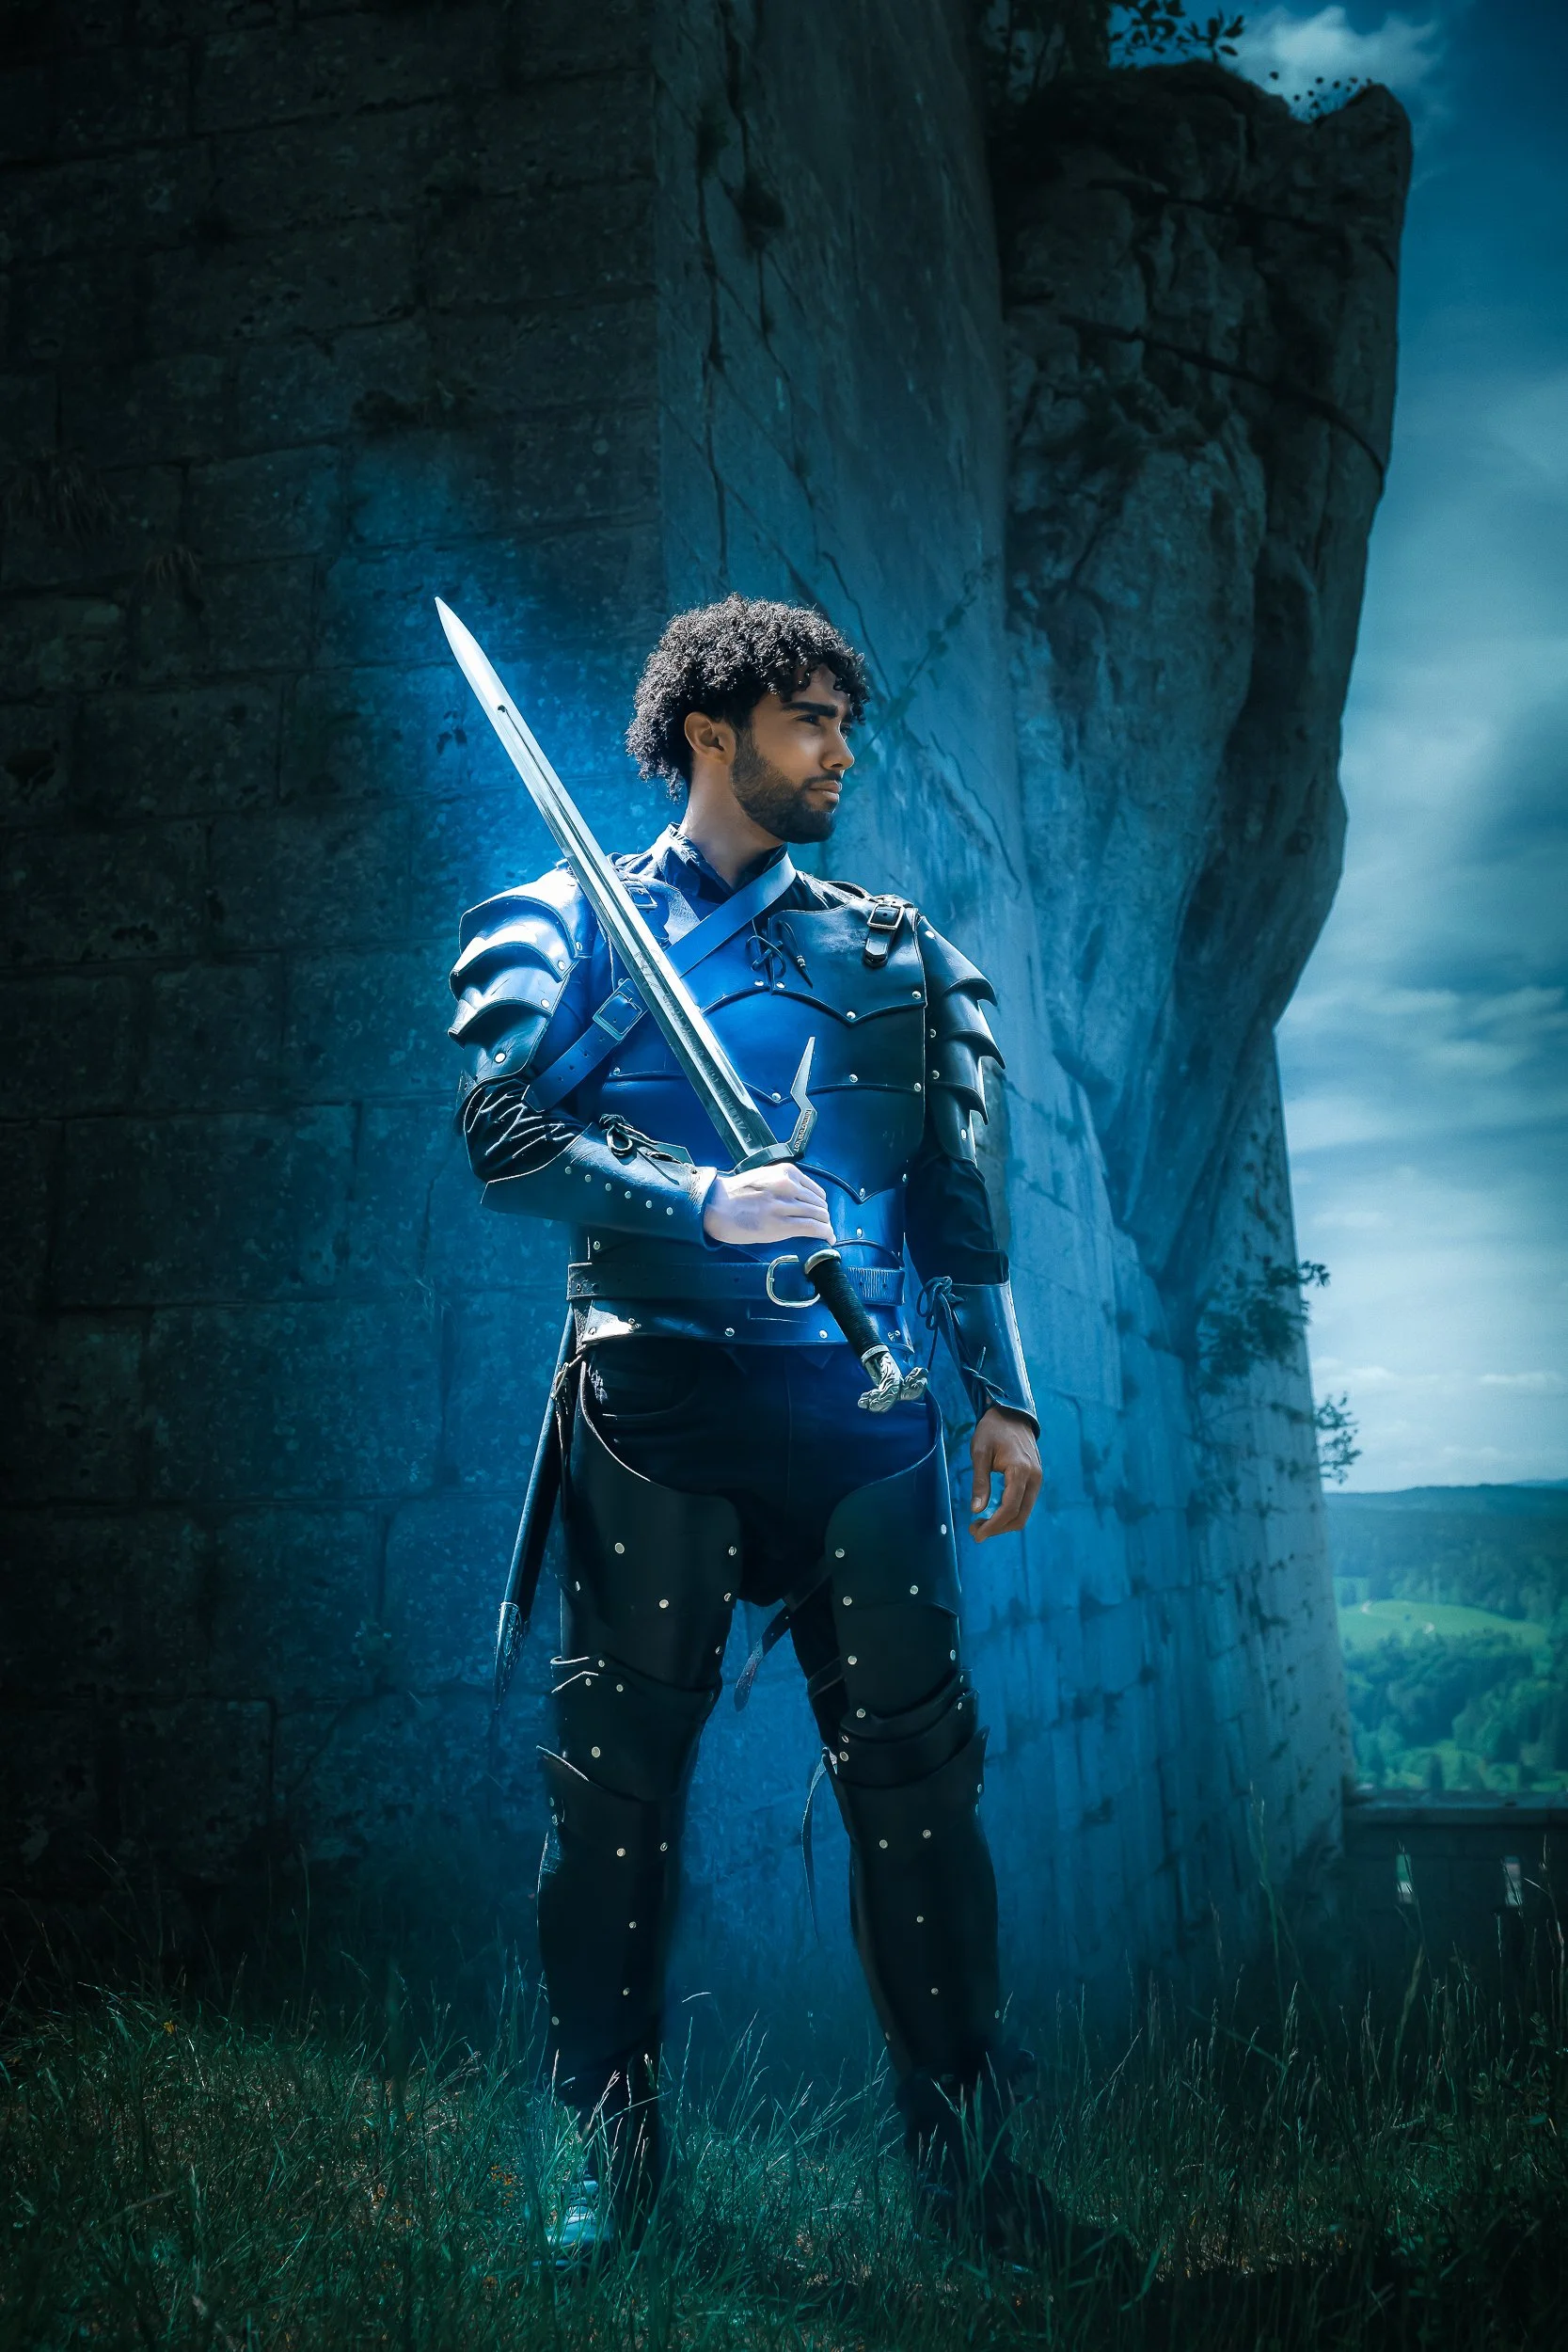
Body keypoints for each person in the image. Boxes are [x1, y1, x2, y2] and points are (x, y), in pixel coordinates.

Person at [448, 595, 1043, 2252]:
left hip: (865, 1418)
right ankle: (605, 2166)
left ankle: (974, 2173)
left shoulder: (897, 948)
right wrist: (701, 1203)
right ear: (710, 734)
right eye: (807, 723)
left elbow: (951, 1201)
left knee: (921, 1792)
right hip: (657, 1406)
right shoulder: (558, 920)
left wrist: (1003, 1397)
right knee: (613, 1796)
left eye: (843, 722)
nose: (839, 752)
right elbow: (500, 1131)